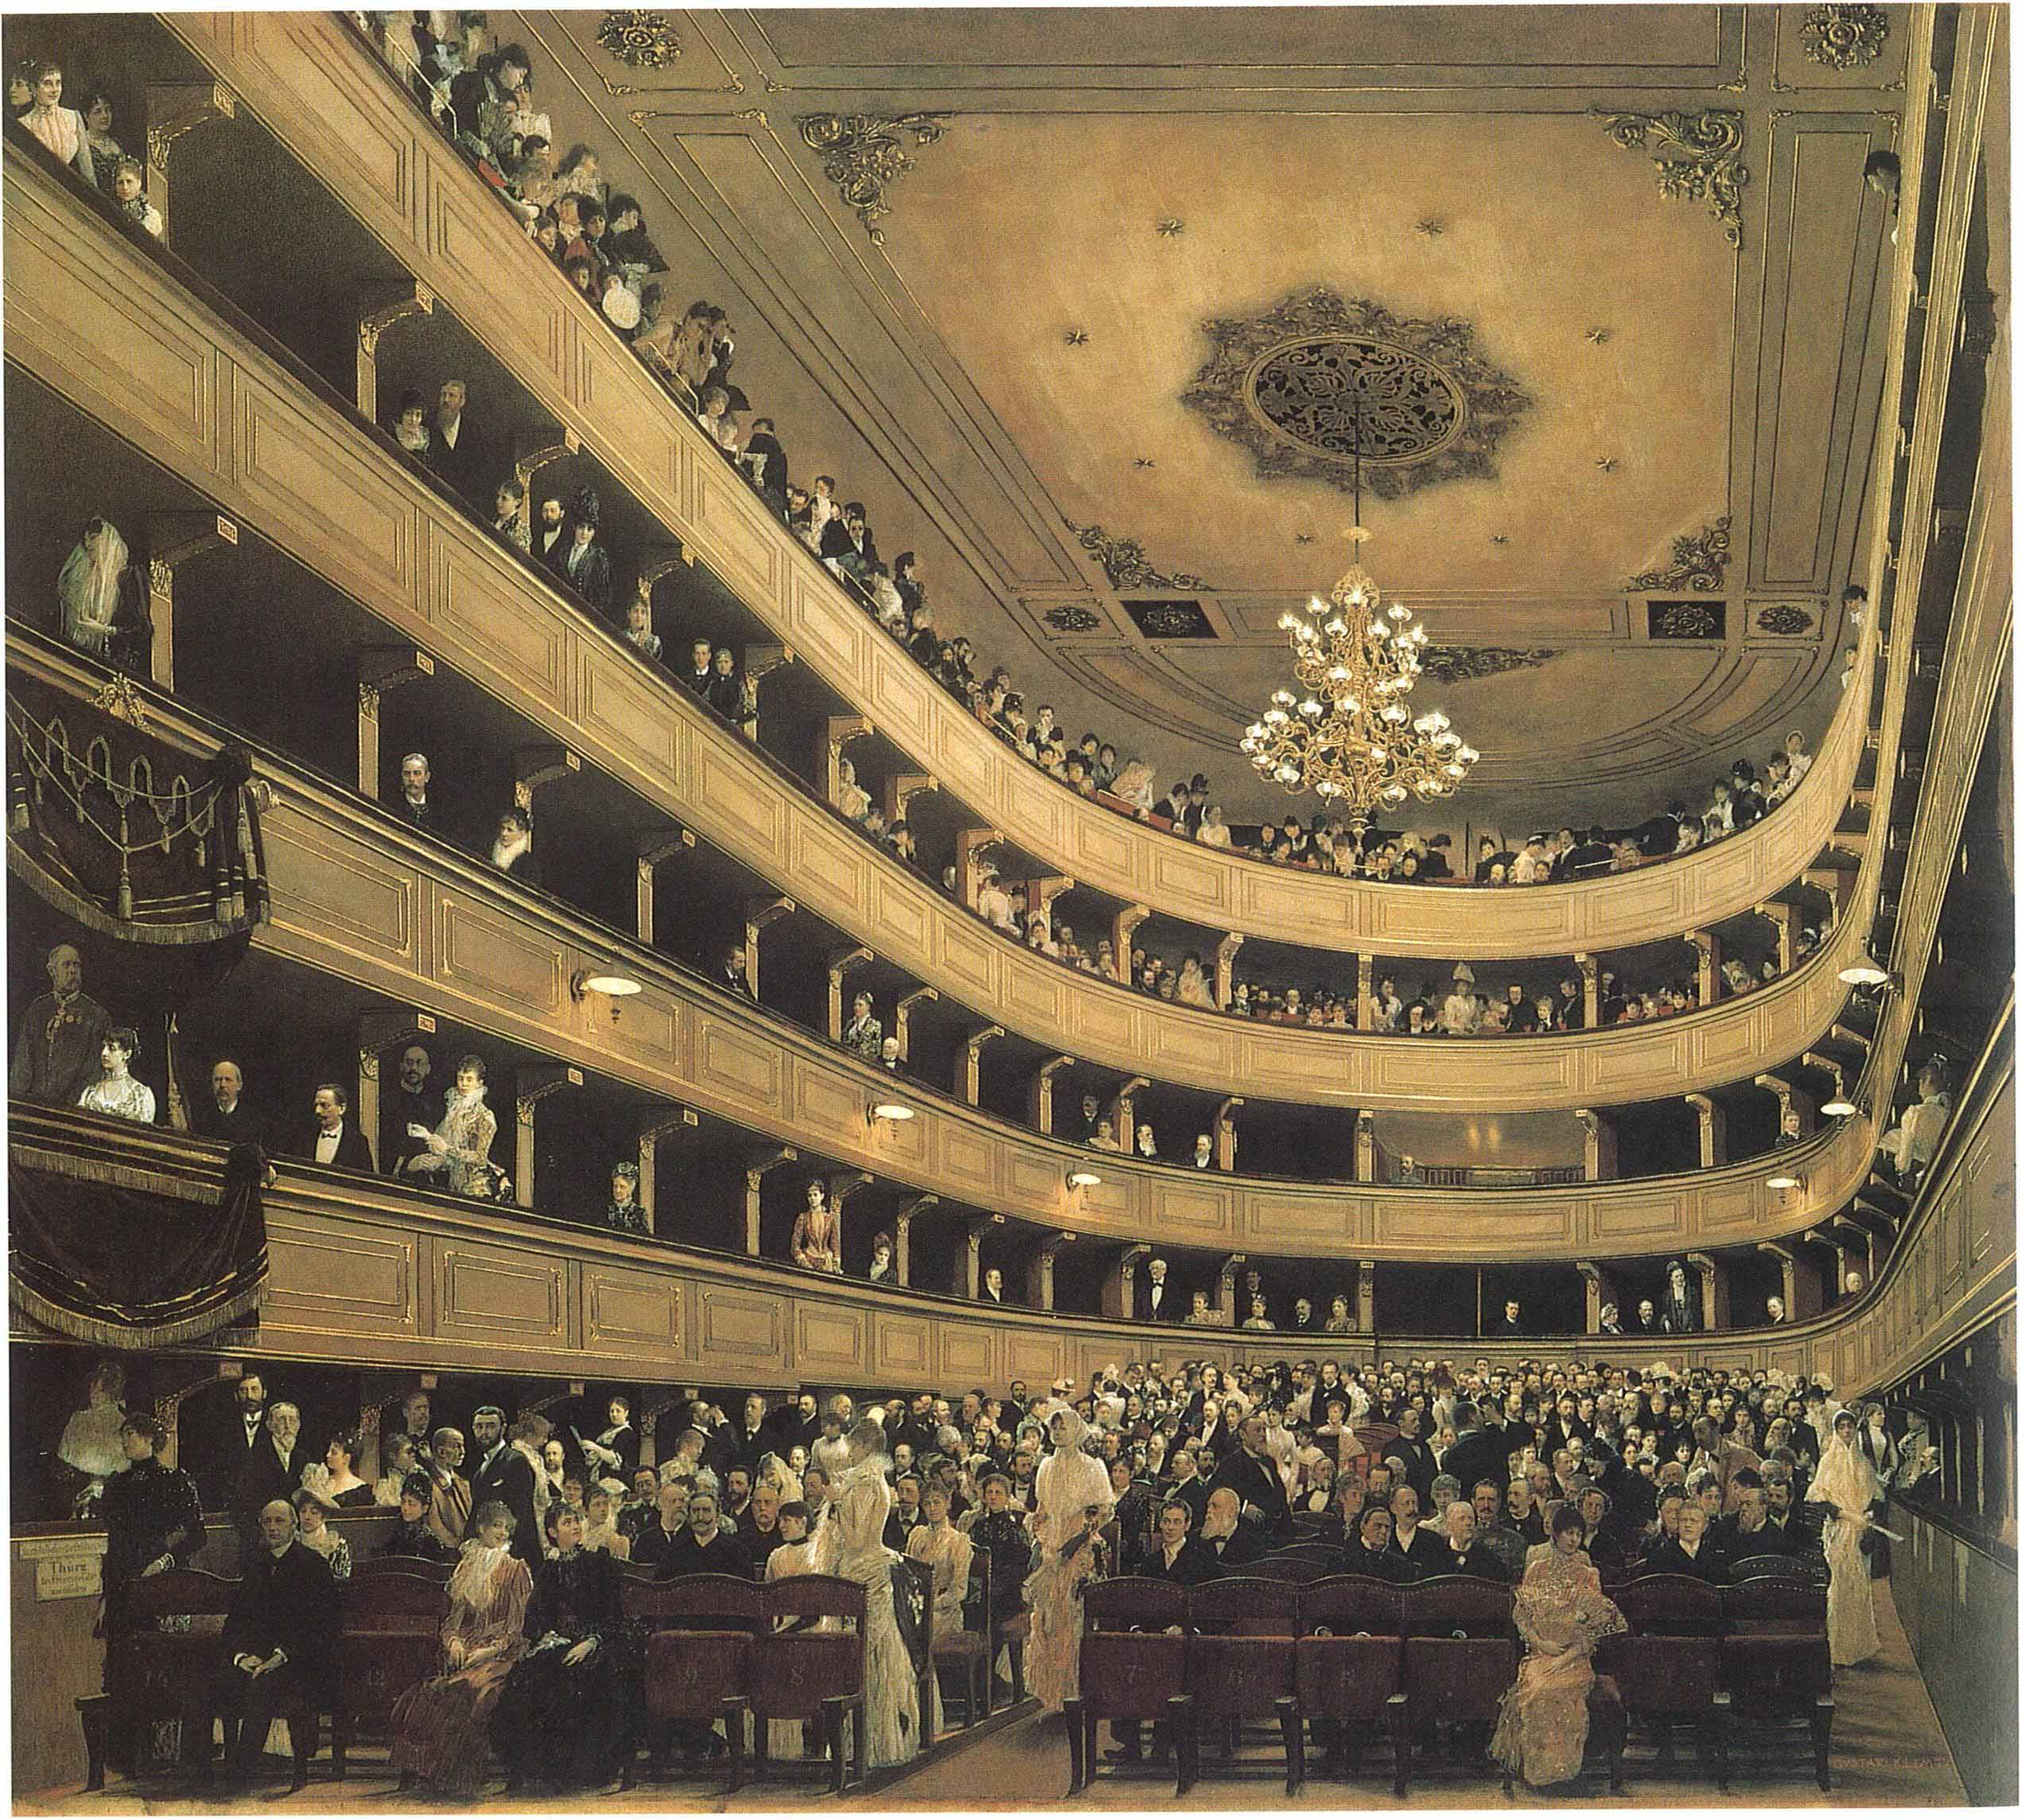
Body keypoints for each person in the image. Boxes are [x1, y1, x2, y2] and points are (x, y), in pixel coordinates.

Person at [182, 1500, 339, 1789]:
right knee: (203, 1686)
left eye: (279, 1521)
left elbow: (321, 1627)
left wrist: (280, 1656)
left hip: (298, 1663)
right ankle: (198, 1773)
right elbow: (236, 1623)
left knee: (262, 1686)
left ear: (294, 1525)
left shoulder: (313, 1565)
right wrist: (241, 1657)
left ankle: (243, 1772)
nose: (273, 1528)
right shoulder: (256, 1566)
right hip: (255, 1660)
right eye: (267, 1522)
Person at [488, 1504, 644, 1791]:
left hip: (598, 1643)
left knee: (577, 1679)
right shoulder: (550, 1569)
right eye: (567, 1523)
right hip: (560, 1643)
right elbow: (535, 1615)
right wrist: (546, 1635)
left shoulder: (599, 1563)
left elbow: (614, 1615)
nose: (575, 1527)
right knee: (527, 1678)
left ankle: (582, 1772)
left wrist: (591, 1642)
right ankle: (539, 1772)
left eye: (576, 1521)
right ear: (552, 1532)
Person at [390, 1500, 533, 1792]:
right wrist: (454, 1641)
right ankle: (429, 1771)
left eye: (506, 1528)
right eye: (496, 1525)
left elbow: (515, 1626)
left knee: (470, 1689)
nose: (501, 1532)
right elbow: (454, 1620)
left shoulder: (515, 1569)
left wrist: (489, 1651)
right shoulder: (467, 1566)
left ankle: (460, 1777)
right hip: (466, 1651)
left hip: (500, 1653)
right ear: (481, 1528)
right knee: (432, 1692)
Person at [1490, 1505, 1626, 1790]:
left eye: (1578, 1534)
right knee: (1537, 1690)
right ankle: (1540, 1774)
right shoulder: (1537, 1569)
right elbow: (1522, 1615)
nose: (1574, 1540)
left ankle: (1563, 1774)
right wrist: (1541, 1643)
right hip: (1541, 1652)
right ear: (1555, 1534)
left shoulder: (1588, 1574)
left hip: (1576, 1657)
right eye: (1568, 1533)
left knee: (1555, 1690)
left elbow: (1594, 1627)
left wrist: (1567, 1656)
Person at [823, 1419, 930, 1764]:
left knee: (871, 1658)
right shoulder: (867, 1480)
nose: (848, 1452)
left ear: (865, 1447)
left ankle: (872, 1744)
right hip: (863, 1571)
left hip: (867, 1574)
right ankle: (861, 1744)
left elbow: (856, 1542)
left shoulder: (868, 1484)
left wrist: (836, 1504)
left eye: (852, 1447)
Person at [99, 1413, 205, 1678]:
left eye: (130, 1434)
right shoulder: (117, 1485)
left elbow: (197, 1536)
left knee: (164, 1665)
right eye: (122, 1435)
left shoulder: (175, 1481)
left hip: (164, 1581)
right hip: (124, 1582)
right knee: (123, 1664)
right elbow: (116, 1542)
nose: (124, 1442)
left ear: (149, 1438)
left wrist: (163, 1562)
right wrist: (107, 1594)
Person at [1023, 1404, 1113, 1713]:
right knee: (1047, 1620)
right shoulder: (1046, 1465)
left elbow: (1103, 1509)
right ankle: (1053, 1694)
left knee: (1072, 1617)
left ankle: (1077, 1690)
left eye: (1063, 1427)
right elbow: (1042, 1507)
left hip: (1080, 1548)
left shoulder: (1092, 1467)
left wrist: (1078, 1538)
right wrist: (1039, 1530)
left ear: (1075, 1430)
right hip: (1051, 1545)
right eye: (1054, 1427)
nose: (1058, 1432)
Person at [1808, 1408, 1882, 1665]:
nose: (1847, 1431)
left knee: (1859, 1587)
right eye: (1842, 1427)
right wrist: (1844, 1515)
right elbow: (1819, 1499)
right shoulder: (1828, 1461)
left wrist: (1868, 1514)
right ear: (1836, 1431)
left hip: (1860, 1530)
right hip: (1839, 1530)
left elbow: (1875, 1496)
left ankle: (1858, 1648)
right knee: (1839, 1585)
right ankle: (1837, 1648)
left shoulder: (1863, 1462)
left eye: (1850, 1426)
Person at [11, 943, 111, 1106]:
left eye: (76, 965)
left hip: (73, 1109)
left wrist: (71, 1104)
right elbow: (23, 1062)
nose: (73, 970)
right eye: (66, 965)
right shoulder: (38, 1009)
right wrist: (16, 1102)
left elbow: (94, 1070)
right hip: (33, 1105)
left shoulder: (97, 1015)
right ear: (52, 971)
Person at [405, 1054, 500, 1197]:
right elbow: (444, 1147)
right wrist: (427, 1136)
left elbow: (480, 1157)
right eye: (460, 1078)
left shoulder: (484, 1116)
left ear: (479, 1083)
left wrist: (448, 1150)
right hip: (454, 1181)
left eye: (469, 1080)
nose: (464, 1084)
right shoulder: (453, 1111)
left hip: (477, 1185)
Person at [77, 1027, 155, 1125]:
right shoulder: (91, 1091)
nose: (104, 1053)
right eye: (103, 1048)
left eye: (112, 1048)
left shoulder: (141, 1095)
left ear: (127, 1054)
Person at [297, 1082, 374, 1171]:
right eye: (316, 1105)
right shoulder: (305, 1138)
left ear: (342, 1108)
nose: (317, 1111)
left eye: (324, 1105)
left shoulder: (358, 1142)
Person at [378, 1475, 456, 1562]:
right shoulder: (394, 1534)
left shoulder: (431, 1543)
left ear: (425, 1508)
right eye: (403, 1502)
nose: (405, 1508)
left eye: (412, 1504)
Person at [790, 1178, 842, 1274]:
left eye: (815, 1195)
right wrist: (805, 1263)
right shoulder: (803, 1218)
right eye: (810, 1196)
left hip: (827, 1262)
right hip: (809, 1258)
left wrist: (836, 1263)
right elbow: (795, 1247)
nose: (812, 1198)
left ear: (822, 1196)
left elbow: (835, 1243)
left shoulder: (829, 1218)